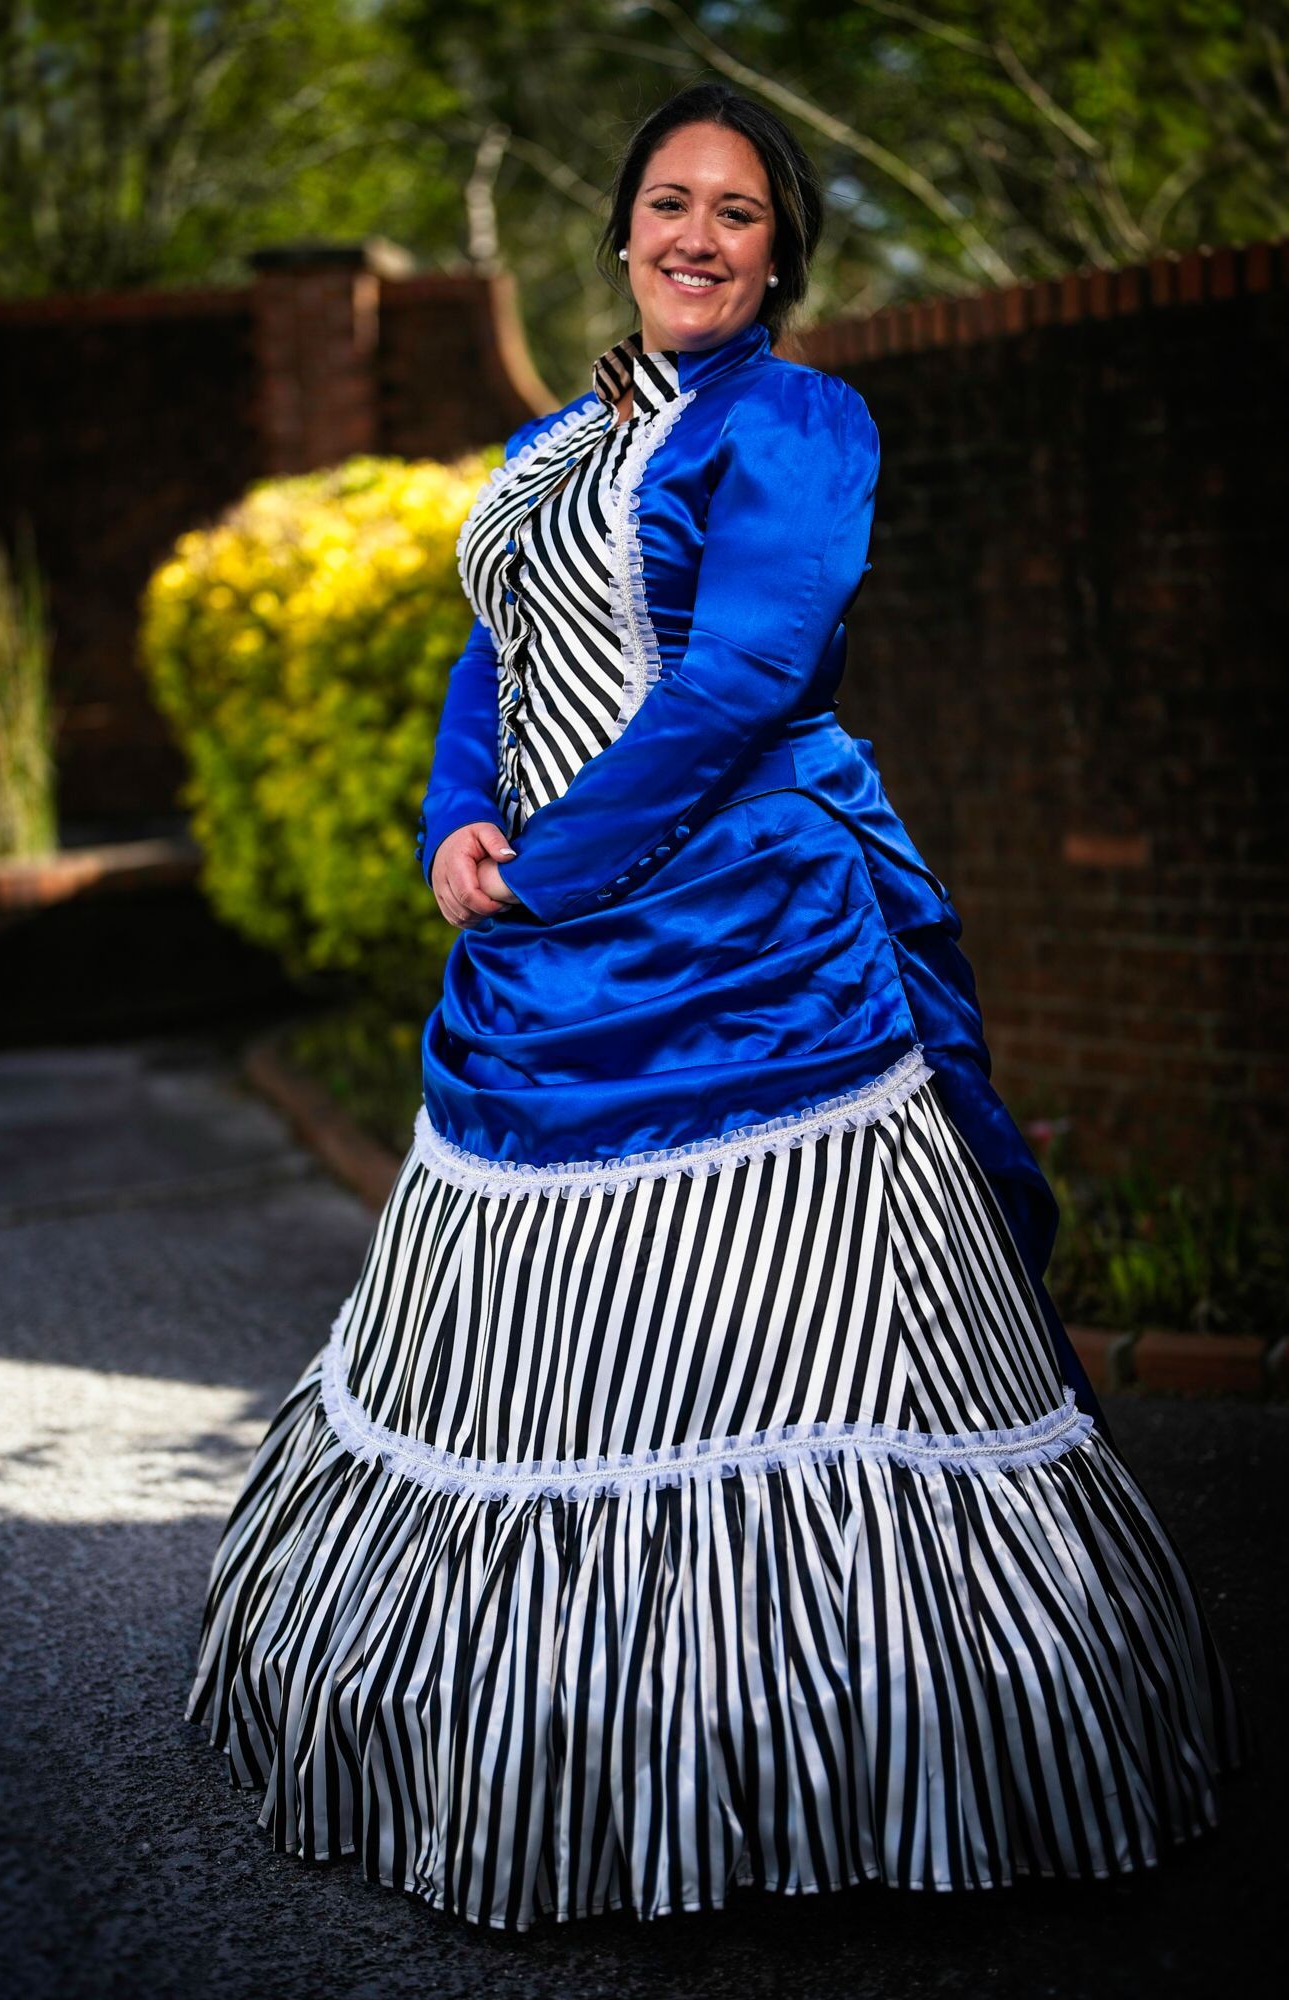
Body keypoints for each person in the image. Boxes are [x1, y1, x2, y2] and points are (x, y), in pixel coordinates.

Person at [187, 82, 1244, 1934]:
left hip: (756, 920)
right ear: (616, 232)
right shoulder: (550, 441)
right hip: (557, 930)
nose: (694, 234)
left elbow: (751, 666)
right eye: (665, 201)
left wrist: (563, 859)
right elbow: (490, 653)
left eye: (736, 212)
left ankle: (858, 1751)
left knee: (816, 1333)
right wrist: (458, 822)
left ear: (780, 254)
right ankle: (564, 1741)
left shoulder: (802, 422)